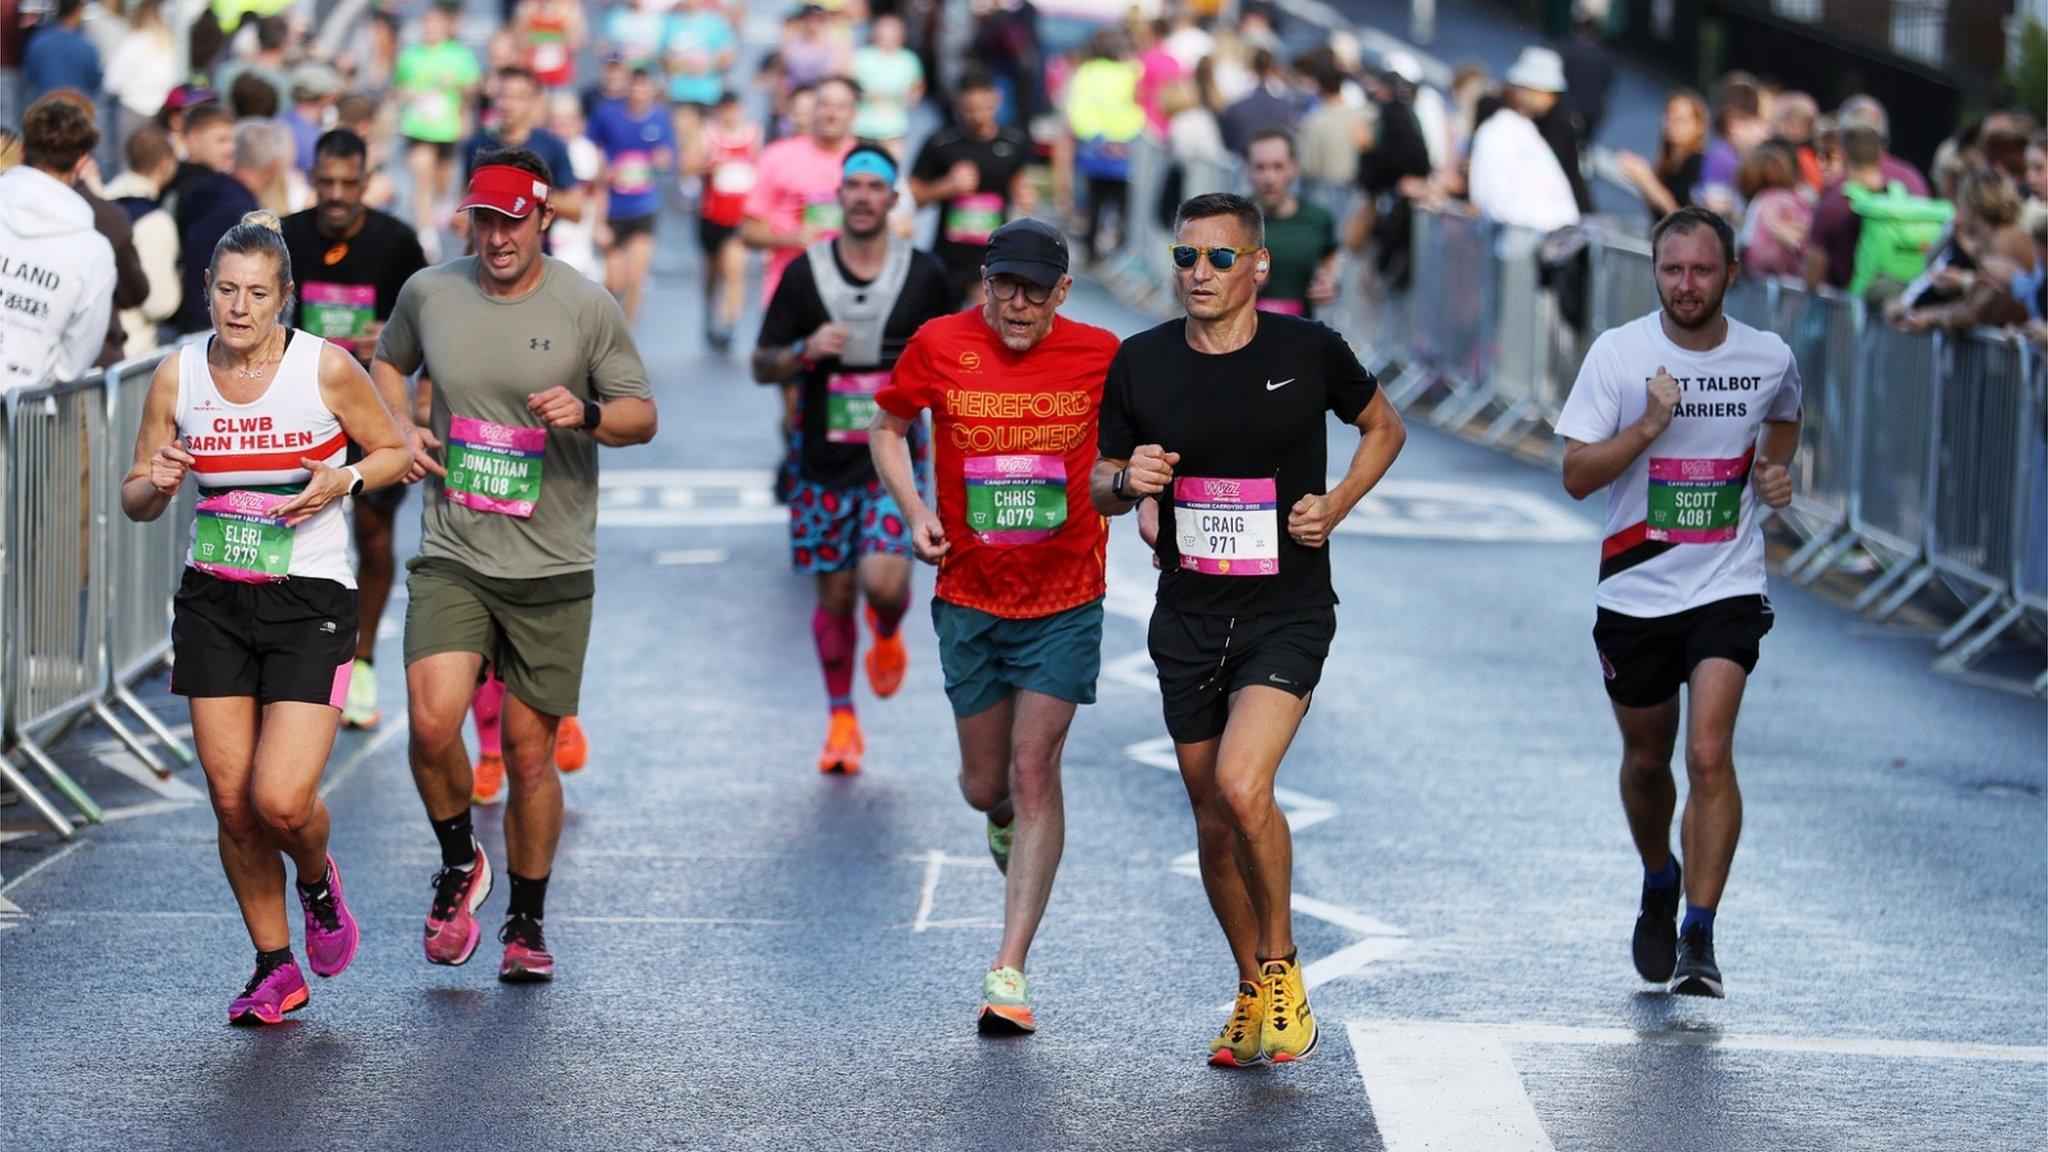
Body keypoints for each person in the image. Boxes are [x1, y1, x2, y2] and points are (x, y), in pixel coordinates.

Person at [1091, 192, 1403, 1066]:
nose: (1200, 273)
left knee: (1240, 784)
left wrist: (1335, 506)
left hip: (1286, 610)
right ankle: (1247, 985)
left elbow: (1385, 426)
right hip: (1188, 614)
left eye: (1220, 259)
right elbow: (1100, 482)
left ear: (1258, 267)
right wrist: (1131, 481)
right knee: (1211, 820)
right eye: (1187, 257)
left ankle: (1282, 967)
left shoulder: (1310, 351)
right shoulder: (1140, 361)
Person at [371, 151, 658, 983]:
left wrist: (588, 410)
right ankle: (462, 863)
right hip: (457, 549)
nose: (496, 236)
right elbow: (387, 361)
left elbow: (643, 415)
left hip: (551, 562)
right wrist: (401, 426)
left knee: (531, 757)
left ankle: (526, 923)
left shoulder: (585, 305)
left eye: (512, 220)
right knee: (431, 724)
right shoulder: (431, 292)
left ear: (544, 221)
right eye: (483, 219)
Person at [118, 209, 409, 1024]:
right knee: (231, 800)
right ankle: (275, 965)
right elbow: (136, 497)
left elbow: (389, 451)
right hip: (213, 599)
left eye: (257, 293)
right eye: (225, 292)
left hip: (309, 597)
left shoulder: (326, 368)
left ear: (287, 297)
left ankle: (317, 882)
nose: (239, 309)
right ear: (206, 292)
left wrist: (343, 480)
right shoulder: (178, 374)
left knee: (280, 800)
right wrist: (162, 479)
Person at [870, 218, 1120, 1034]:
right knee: (987, 787)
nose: (1018, 304)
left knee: (1033, 769)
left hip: (1066, 596)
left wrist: (1140, 498)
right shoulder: (940, 343)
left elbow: (1137, 444)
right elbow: (888, 425)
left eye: (1036, 291)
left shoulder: (1100, 355)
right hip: (971, 595)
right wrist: (914, 511)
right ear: (985, 282)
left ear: (1063, 295)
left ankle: (1009, 969)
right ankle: (1002, 821)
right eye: (1005, 285)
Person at [1556, 206, 1802, 999]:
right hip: (1636, 588)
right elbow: (1577, 474)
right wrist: (1651, 426)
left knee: (1707, 755)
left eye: (1702, 270)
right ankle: (1659, 875)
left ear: (1731, 273)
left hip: (1726, 583)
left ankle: (1700, 932)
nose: (1686, 285)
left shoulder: (1768, 357)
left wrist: (1775, 474)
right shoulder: (1621, 355)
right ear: (1655, 270)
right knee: (1644, 760)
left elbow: (1786, 419)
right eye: (1672, 270)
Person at [753, 146, 954, 770]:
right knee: (836, 597)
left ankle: (889, 630)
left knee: (883, 582)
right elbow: (762, 365)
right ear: (839, 196)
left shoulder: (924, 275)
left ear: (894, 201)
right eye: (854, 186)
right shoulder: (804, 275)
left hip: (892, 460)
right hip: (819, 461)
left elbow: (953, 368)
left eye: (877, 187)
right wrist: (803, 350)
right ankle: (842, 718)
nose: (864, 197)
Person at [281, 129, 430, 730]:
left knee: (371, 541)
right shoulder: (287, 236)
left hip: (370, 413)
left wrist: (390, 341)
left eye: (349, 184)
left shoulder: (396, 241)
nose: (337, 196)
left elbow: (424, 330)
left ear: (366, 182)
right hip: (298, 411)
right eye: (326, 184)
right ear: (313, 180)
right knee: (290, 536)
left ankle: (361, 663)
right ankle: (294, 665)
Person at [0, 97, 115, 391]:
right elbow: (76, 357)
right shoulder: (92, 250)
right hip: (23, 411)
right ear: (81, 162)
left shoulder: (93, 248)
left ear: (24, 149)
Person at [909, 68, 1033, 306]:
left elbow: (1020, 185)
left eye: (986, 107)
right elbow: (912, 197)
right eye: (970, 109)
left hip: (994, 256)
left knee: (984, 328)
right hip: (948, 257)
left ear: (997, 99)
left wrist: (1025, 195)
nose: (978, 116)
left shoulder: (1013, 142)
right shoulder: (941, 142)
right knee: (944, 328)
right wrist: (947, 186)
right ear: (958, 103)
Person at [177, 118, 290, 334]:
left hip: (194, 320)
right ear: (274, 166)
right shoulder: (246, 215)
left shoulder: (201, 192)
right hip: (219, 329)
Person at [588, 66, 677, 327]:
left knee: (637, 276)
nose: (639, 91)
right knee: (615, 280)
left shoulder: (661, 118)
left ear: (652, 90)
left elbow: (669, 155)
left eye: (644, 85)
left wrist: (663, 160)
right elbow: (591, 146)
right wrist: (604, 168)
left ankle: (627, 337)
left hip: (644, 205)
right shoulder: (607, 113)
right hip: (613, 205)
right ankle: (606, 324)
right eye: (635, 85)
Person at [395, 1, 484, 261]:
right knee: (422, 175)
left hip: (447, 128)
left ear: (447, 26)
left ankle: (440, 208)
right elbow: (398, 89)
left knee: (443, 180)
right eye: (426, 24)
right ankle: (426, 235)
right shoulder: (410, 55)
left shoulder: (459, 55)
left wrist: (463, 106)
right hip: (418, 126)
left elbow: (472, 88)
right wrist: (407, 94)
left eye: (436, 24)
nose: (430, 29)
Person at [1467, 48, 1580, 233]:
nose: (1552, 99)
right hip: (1518, 237)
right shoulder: (1499, 129)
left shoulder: (1528, 127)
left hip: (1533, 235)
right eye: (1546, 92)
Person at [102, 124, 183, 357]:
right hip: (131, 349)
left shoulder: (102, 201)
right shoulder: (155, 221)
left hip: (94, 344)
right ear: (166, 163)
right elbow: (158, 304)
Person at [688, 91, 760, 349]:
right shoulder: (708, 134)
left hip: (739, 218)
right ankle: (709, 313)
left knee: (734, 272)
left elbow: (763, 168)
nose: (730, 111)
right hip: (712, 216)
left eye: (734, 106)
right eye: (725, 107)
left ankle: (730, 325)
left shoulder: (754, 134)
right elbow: (689, 167)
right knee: (712, 272)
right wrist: (711, 167)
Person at [1244, 130, 1338, 319]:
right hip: (1238, 338)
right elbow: (1184, 283)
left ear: (1294, 168)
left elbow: (1332, 258)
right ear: (1247, 170)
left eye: (1278, 167)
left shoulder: (1317, 218)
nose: (1269, 178)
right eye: (1260, 168)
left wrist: (1329, 283)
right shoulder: (1231, 220)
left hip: (1299, 335)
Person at [850, 13, 924, 156]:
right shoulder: (862, 57)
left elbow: (916, 90)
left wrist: (901, 98)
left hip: (894, 129)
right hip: (862, 128)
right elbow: (851, 88)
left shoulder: (909, 60)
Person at [22, 0, 102, 106]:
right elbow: (95, 80)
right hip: (76, 112)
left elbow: (29, 76)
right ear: (77, 11)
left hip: (44, 110)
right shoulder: (86, 46)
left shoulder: (40, 41)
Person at [514, 0, 587, 91]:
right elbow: (519, 42)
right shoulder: (527, 6)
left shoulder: (569, 7)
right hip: (532, 77)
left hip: (561, 77)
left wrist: (565, 21)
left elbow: (576, 43)